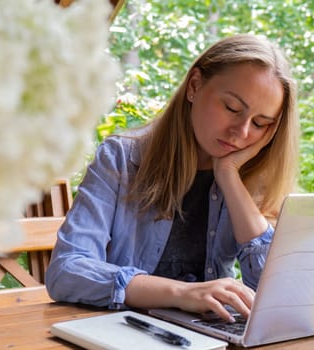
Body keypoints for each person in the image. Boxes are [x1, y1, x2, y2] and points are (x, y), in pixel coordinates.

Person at [45, 33, 299, 323]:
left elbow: (277, 295)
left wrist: (228, 176)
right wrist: (182, 293)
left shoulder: (251, 175)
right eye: (231, 108)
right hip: (125, 332)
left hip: (209, 336)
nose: (241, 133)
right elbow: (66, 270)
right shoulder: (121, 159)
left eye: (260, 123)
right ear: (194, 85)